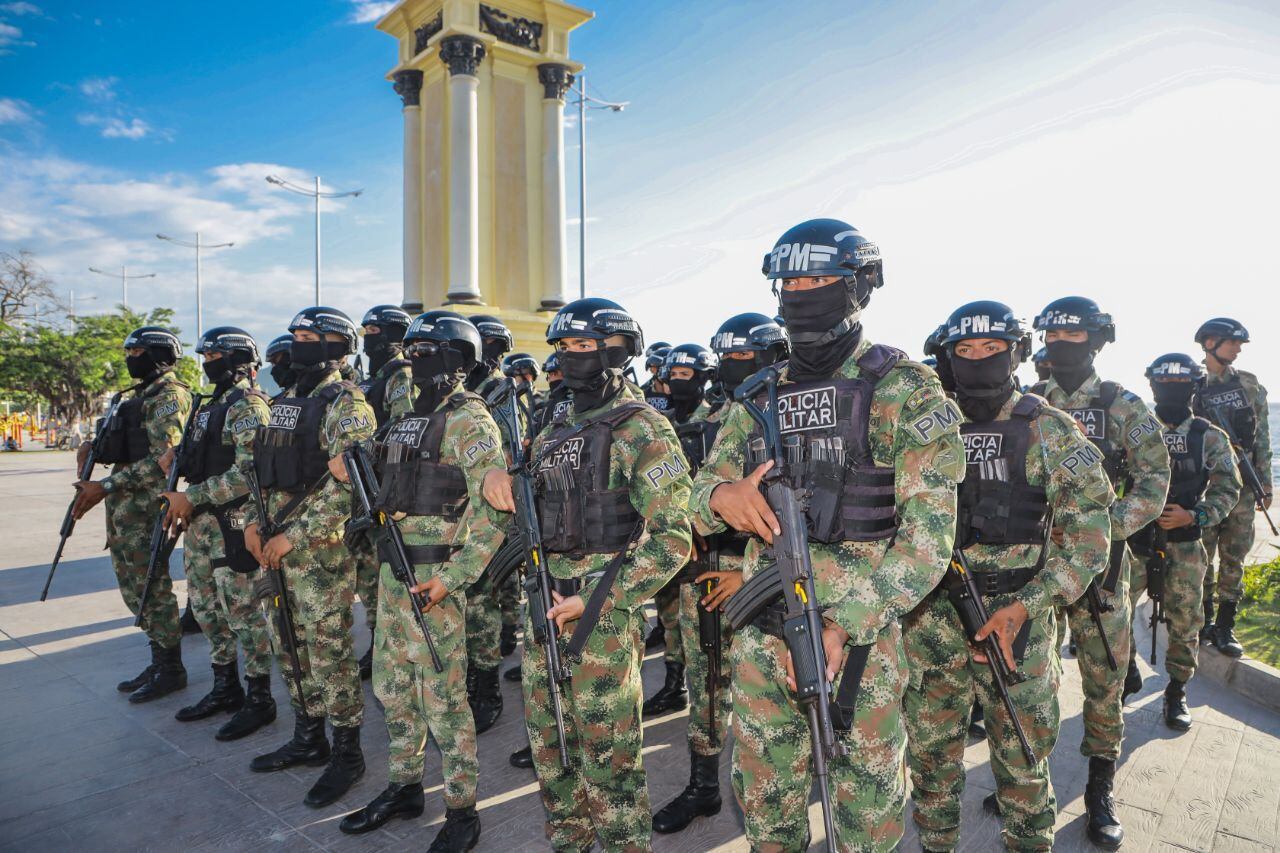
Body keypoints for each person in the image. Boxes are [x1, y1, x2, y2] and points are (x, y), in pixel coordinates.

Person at [691, 219, 965, 851]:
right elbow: (697, 492)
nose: (799, 295)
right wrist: (720, 496)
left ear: (857, 286)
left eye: (815, 281)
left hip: (857, 644)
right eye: (788, 284)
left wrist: (844, 624)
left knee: (866, 820)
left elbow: (928, 542)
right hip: (762, 639)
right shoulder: (758, 396)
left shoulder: (902, 389)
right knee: (768, 815)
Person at [482, 296, 692, 851]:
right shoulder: (555, 427)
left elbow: (674, 536)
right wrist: (498, 479)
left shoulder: (642, 428)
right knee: (553, 758)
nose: (570, 357)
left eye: (583, 346)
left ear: (617, 351)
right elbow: (531, 507)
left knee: (610, 767)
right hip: (543, 611)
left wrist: (599, 598)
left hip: (600, 621)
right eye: (563, 347)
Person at [904, 301, 1114, 852]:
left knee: (1023, 763)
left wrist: (1028, 604)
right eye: (965, 350)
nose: (978, 359)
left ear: (1015, 352)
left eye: (991, 348)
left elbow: (1090, 534)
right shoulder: (926, 428)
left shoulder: (1047, 429)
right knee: (931, 763)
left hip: (1016, 621)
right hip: (932, 623)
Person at [338, 310, 508, 850]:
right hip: (394, 573)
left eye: (426, 351)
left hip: (435, 581)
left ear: (457, 358)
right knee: (392, 689)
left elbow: (494, 515)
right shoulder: (405, 419)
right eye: (410, 351)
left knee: (444, 699)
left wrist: (453, 578)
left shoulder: (470, 421)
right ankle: (405, 786)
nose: (414, 359)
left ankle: (462, 810)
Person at [1026, 296, 1169, 848]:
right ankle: (1026, 782)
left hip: (1102, 569)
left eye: (1074, 335)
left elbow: (1154, 481)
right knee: (1031, 676)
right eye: (1053, 336)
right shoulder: (1028, 404)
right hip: (1037, 563)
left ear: (1097, 341)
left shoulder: (1123, 406)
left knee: (1104, 678)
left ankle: (1099, 788)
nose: (1061, 345)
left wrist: (1103, 528)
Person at [652, 313, 788, 836]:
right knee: (706, 681)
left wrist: (751, 577)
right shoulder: (707, 421)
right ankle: (704, 785)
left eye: (744, 358)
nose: (735, 367)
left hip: (772, 574)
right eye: (727, 358)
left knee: (780, 688)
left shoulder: (789, 416)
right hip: (705, 569)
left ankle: (789, 794)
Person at [244, 307, 375, 808]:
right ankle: (307, 736)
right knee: (288, 645)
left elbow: (350, 487)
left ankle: (347, 752)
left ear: (337, 345)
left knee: (328, 652)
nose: (297, 342)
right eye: (295, 334)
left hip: (319, 554)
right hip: (273, 545)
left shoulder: (347, 404)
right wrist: (251, 522)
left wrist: (294, 536)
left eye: (309, 335)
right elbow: (259, 469)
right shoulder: (284, 403)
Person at [160, 327, 278, 741]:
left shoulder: (248, 407)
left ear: (238, 360)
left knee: (244, 614)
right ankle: (225, 686)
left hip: (233, 523)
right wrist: (175, 459)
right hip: (201, 525)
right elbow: (203, 455)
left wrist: (191, 496)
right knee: (207, 610)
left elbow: (249, 472)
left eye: (215, 357)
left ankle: (260, 698)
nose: (208, 364)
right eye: (205, 357)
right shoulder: (208, 406)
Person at [71, 326, 194, 703]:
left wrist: (105, 486)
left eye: (137, 352)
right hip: (124, 508)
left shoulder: (170, 396)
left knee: (151, 587)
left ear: (157, 355)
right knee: (133, 586)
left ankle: (171, 668)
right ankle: (158, 659)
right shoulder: (138, 396)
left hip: (146, 507)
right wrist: (94, 447)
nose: (130, 358)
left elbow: (163, 460)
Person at [1129, 354, 1241, 731]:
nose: (1171, 390)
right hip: (1136, 541)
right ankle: (1125, 670)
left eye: (1180, 384)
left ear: (1194, 387)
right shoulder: (1136, 430)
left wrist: (1195, 516)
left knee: (1186, 621)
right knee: (1112, 612)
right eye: (1164, 384)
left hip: (1186, 543)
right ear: (1152, 386)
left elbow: (1228, 488)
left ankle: (1177, 690)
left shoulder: (1209, 436)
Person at [643, 343, 718, 718]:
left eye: (685, 375)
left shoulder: (717, 420)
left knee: (703, 624)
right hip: (667, 533)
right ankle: (674, 686)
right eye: (672, 375)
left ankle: (710, 699)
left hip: (706, 539)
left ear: (703, 378)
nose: (676, 381)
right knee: (669, 614)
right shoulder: (662, 422)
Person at [1194, 318, 1272, 657]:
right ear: (1210, 342)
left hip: (1242, 486)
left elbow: (1262, 438)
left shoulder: (1249, 385)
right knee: (1202, 555)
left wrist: (1265, 483)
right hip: (1205, 486)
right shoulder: (1192, 386)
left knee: (1234, 556)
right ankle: (1203, 620)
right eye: (1232, 342)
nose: (1238, 349)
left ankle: (1225, 626)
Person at [353, 305, 416, 680]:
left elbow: (403, 429)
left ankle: (392, 646)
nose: (368, 338)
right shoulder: (370, 379)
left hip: (383, 488)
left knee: (386, 572)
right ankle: (378, 641)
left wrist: (366, 448)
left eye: (374, 331)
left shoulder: (401, 375)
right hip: (362, 487)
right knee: (367, 573)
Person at [459, 314, 515, 732]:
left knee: (481, 604)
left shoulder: (498, 391)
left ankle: (487, 687)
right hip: (455, 512)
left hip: (487, 510)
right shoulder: (460, 391)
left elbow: (509, 452)